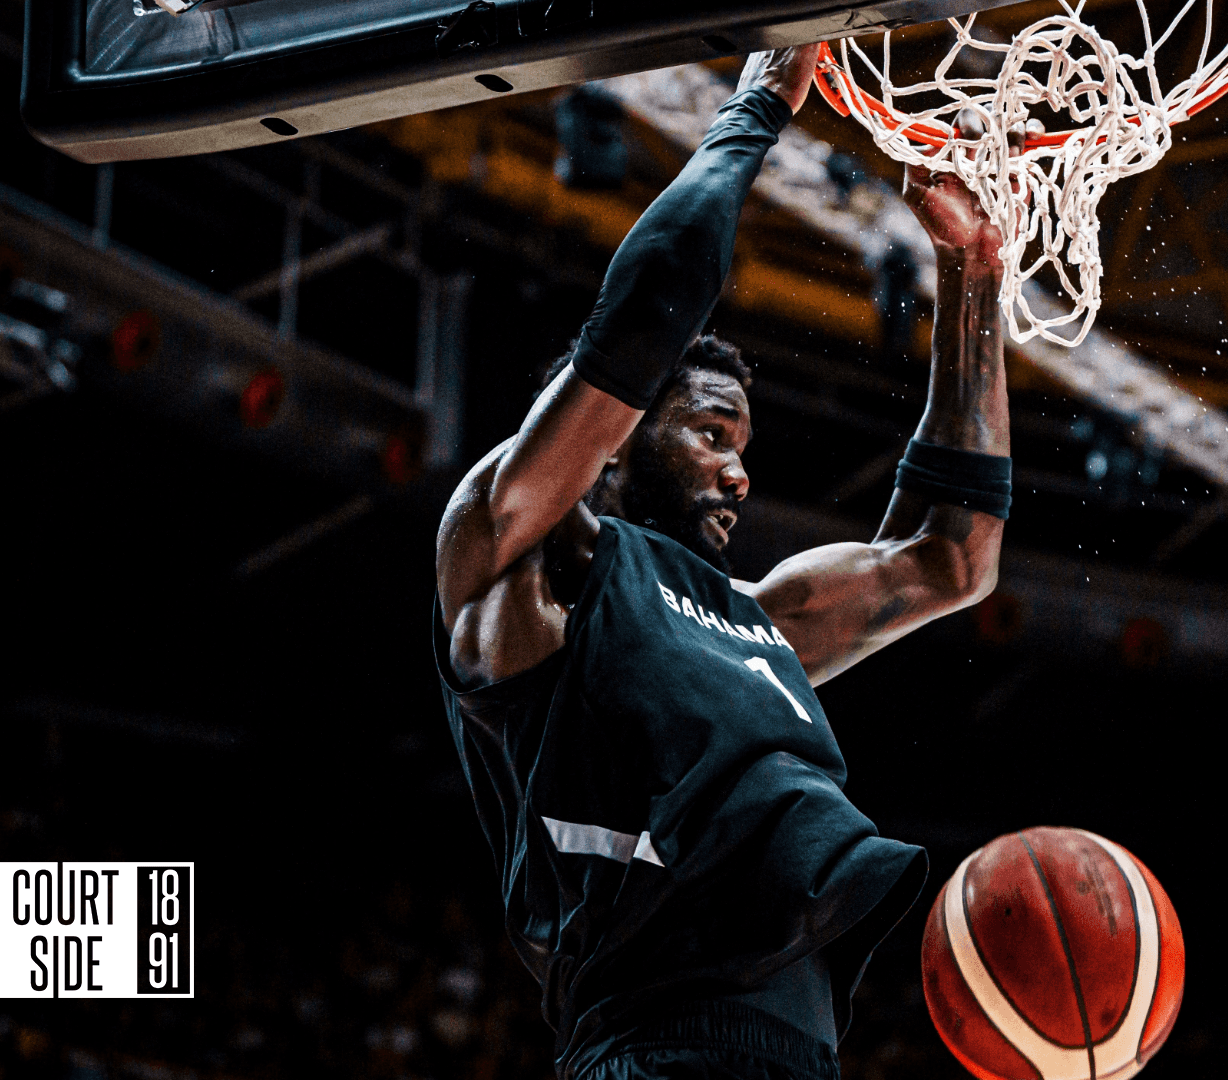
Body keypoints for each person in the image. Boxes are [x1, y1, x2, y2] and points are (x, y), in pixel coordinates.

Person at [432, 43, 1013, 1080]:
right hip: (652, 1049)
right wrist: (755, 110)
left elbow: (952, 556)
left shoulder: (761, 622)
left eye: (742, 447)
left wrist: (972, 274)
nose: (740, 474)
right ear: (618, 439)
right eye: (712, 434)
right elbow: (644, 317)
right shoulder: (521, 557)